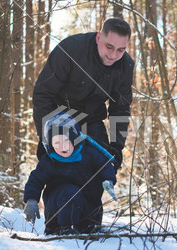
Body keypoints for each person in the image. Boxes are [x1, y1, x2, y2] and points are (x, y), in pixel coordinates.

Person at [32, 17, 134, 173]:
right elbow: (43, 94)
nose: (113, 55)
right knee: (57, 174)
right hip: (58, 117)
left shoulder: (125, 66)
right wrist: (49, 135)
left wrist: (116, 146)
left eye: (121, 50)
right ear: (99, 37)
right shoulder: (70, 50)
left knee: (100, 169)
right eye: (109, 46)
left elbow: (120, 107)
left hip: (92, 119)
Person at [23, 111, 118, 235]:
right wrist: (31, 200)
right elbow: (35, 180)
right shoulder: (49, 161)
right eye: (57, 142)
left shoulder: (88, 153)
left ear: (74, 139)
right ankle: (65, 228)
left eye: (66, 140)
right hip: (58, 208)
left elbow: (104, 165)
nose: (62, 146)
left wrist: (108, 180)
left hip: (86, 204)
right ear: (50, 144)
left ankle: (88, 226)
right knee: (70, 192)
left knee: (90, 198)